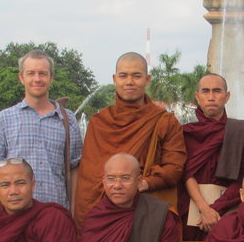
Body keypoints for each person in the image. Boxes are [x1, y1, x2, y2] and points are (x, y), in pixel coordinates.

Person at [73, 52, 186, 228]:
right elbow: (90, 178)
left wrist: (144, 184)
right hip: (104, 214)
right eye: (123, 76)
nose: (129, 82)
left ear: (147, 80)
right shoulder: (99, 122)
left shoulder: (164, 121)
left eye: (136, 76)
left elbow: (174, 168)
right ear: (115, 79)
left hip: (145, 214)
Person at [0, 50, 82, 210]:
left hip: (55, 213)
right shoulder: (4, 120)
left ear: (51, 78)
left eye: (43, 73)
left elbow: (74, 170)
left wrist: (74, 215)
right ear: (21, 77)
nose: (37, 79)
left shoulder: (67, 119)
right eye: (31, 73)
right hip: (15, 216)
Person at [178, 73, 244, 241]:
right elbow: (184, 172)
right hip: (190, 211)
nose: (211, 97)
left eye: (217, 91)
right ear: (197, 97)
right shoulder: (185, 133)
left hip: (228, 211)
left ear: (227, 96)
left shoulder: (240, 132)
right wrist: (204, 208)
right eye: (205, 91)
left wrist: (216, 208)